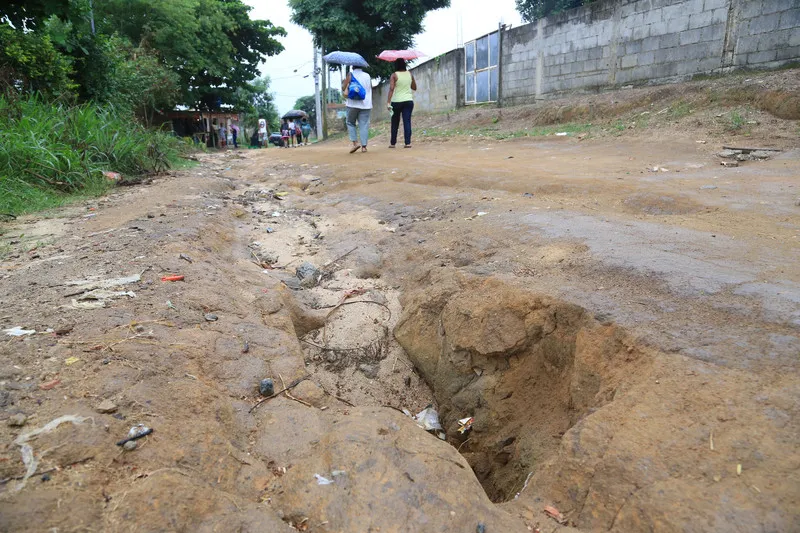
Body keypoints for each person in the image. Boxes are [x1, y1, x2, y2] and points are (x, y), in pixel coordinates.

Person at [386, 58, 416, 148]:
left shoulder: (394, 75)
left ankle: (393, 143)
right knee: (407, 121)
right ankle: (408, 143)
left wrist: (388, 102)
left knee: (395, 123)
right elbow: (414, 87)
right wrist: (408, 81)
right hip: (408, 101)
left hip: (396, 101)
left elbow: (391, 89)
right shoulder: (410, 74)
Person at [342, 64, 372, 153]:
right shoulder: (367, 75)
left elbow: (343, 88)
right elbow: (369, 88)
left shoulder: (350, 75)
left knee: (350, 123)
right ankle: (364, 147)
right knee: (364, 124)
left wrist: (346, 82)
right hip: (366, 104)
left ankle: (355, 143)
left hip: (352, 104)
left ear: (353, 66)